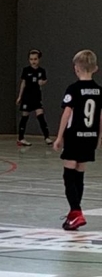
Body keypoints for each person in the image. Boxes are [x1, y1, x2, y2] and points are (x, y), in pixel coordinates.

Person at [53, 49, 101, 231]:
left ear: (76, 68)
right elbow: (100, 117)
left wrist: (59, 137)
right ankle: (74, 213)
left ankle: (76, 211)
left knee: (69, 175)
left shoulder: (73, 89)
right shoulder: (99, 91)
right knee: (79, 174)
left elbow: (67, 113)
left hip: (74, 136)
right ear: (95, 68)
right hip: (90, 136)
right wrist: (99, 137)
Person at [17, 49, 52, 146]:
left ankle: (47, 137)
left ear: (39, 59)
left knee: (40, 115)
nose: (33, 61)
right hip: (26, 96)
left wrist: (42, 82)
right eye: (31, 59)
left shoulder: (41, 71)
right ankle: (21, 138)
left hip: (36, 96)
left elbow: (45, 80)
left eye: (35, 59)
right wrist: (20, 96)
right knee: (25, 116)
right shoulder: (26, 70)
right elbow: (23, 83)